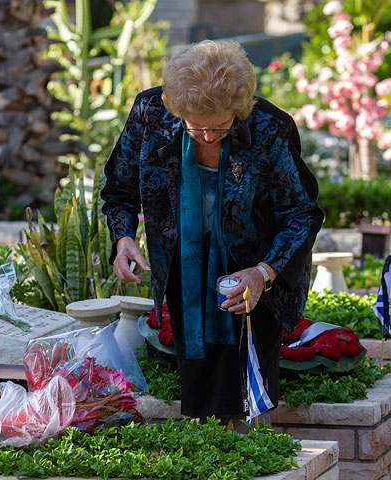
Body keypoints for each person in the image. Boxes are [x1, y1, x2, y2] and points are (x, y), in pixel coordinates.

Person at [101, 40, 324, 430]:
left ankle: (249, 457)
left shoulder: (269, 128)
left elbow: (302, 214)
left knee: (244, 399)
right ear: (177, 110)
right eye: (196, 126)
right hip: (184, 274)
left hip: (252, 277)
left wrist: (265, 272)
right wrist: (123, 239)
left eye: (220, 127)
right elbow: (119, 191)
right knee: (200, 394)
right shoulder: (150, 114)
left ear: (237, 110)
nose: (207, 137)